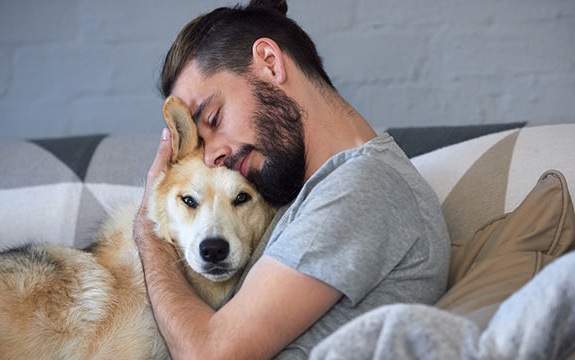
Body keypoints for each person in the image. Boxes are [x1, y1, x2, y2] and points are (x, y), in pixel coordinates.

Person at [133, 1, 451, 359]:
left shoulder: (364, 185)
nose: (211, 157)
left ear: (270, 62)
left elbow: (209, 354)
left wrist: (149, 230)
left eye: (215, 117)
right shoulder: (302, 191)